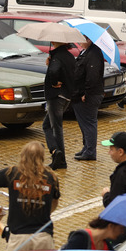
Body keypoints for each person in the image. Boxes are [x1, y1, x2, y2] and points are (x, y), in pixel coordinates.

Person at [43, 41, 78, 170]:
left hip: (56, 96)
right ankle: (57, 154)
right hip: (67, 96)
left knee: (55, 128)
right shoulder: (69, 56)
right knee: (47, 125)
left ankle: (59, 157)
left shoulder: (57, 56)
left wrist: (53, 82)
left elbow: (54, 71)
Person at [72, 36, 105, 161]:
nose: (79, 41)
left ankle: (90, 151)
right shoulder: (85, 52)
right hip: (81, 94)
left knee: (89, 123)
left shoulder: (93, 54)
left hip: (89, 95)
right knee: (84, 124)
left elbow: (92, 76)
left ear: (89, 40)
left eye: (82, 38)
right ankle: (86, 148)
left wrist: (87, 93)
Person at [62, 217, 126, 250]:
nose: (122, 232)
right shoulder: (81, 238)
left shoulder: (107, 246)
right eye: (121, 228)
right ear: (111, 226)